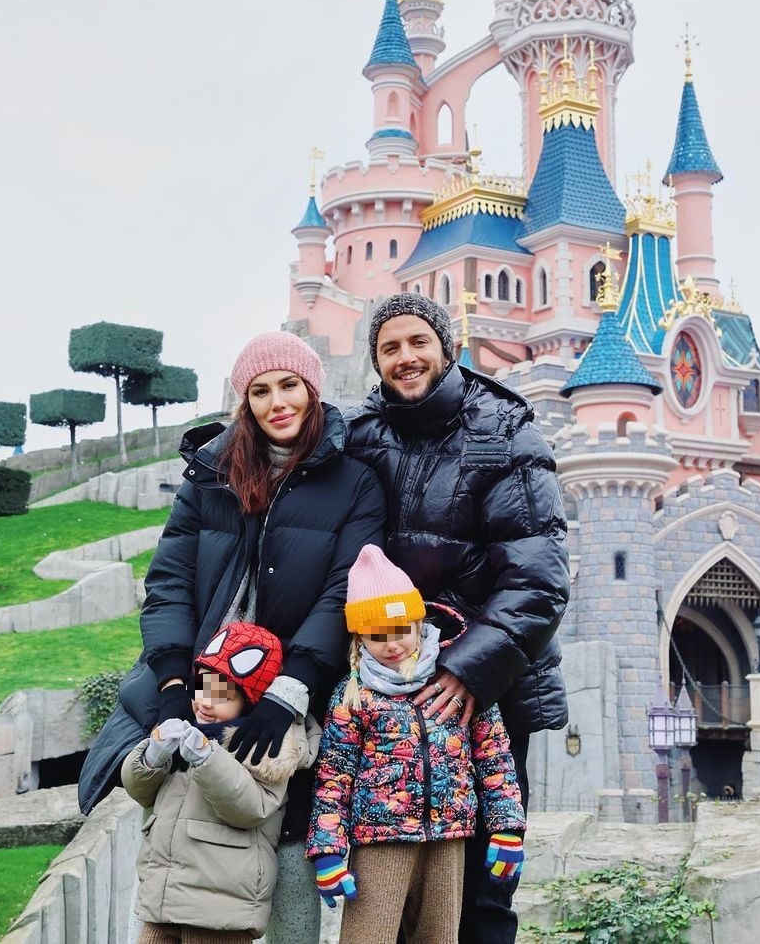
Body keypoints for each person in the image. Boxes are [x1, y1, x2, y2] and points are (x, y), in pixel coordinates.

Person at [79, 330, 386, 944]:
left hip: (298, 693)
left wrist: (290, 690)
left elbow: (341, 595)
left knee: (292, 830)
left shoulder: (355, 482)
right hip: (204, 684)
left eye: (290, 386)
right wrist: (171, 684)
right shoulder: (211, 476)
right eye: (260, 390)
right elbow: (169, 584)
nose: (278, 402)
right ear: (244, 402)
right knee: (183, 819)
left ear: (312, 390)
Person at [344, 292, 570, 944]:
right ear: (377, 360)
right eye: (390, 347)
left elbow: (539, 580)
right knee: (402, 896)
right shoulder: (363, 434)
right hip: (393, 694)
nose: (406, 357)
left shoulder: (504, 431)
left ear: (447, 347)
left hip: (482, 697)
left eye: (418, 342)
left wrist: (468, 674)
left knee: (483, 895)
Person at [306, 545, 526, 944]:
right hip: (379, 838)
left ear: (419, 623)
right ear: (359, 638)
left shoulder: (455, 678)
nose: (392, 645)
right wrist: (328, 849)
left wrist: (507, 827)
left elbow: (494, 756)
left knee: (440, 938)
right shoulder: (353, 695)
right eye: (378, 635)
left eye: (401, 630)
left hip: (448, 836)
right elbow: (334, 776)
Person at [121, 621, 320, 944]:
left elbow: (250, 808)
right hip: (163, 899)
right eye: (203, 686)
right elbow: (142, 793)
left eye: (223, 694)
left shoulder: (268, 745)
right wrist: (152, 756)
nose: (206, 702)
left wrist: (206, 759)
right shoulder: (185, 730)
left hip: (219, 912)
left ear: (250, 703)